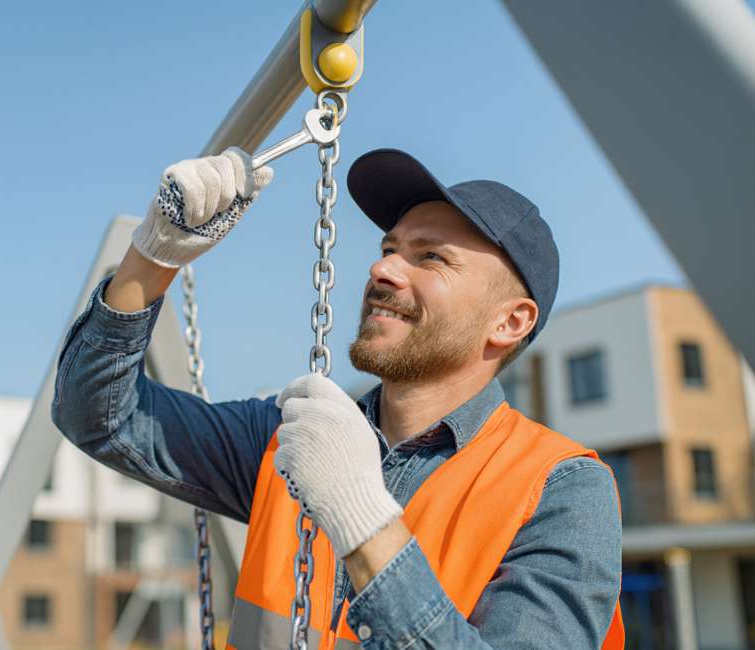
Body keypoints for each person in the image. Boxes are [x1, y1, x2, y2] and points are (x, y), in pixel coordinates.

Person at [52, 147, 624, 649]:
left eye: (430, 258)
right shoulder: (291, 437)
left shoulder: (561, 491)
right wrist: (154, 256)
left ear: (509, 322)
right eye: (389, 247)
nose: (382, 268)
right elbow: (98, 416)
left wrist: (361, 519)